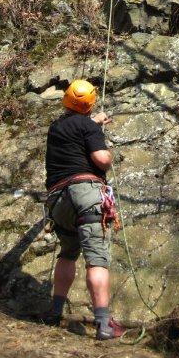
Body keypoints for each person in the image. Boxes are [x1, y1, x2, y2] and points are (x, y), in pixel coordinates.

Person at [42, 79, 124, 340]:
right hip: (85, 192)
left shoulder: (56, 127)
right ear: (90, 104)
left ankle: (54, 313)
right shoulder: (88, 126)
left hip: (57, 198)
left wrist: (93, 123)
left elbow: (76, 130)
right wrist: (109, 154)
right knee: (96, 258)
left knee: (67, 253)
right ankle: (103, 324)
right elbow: (100, 159)